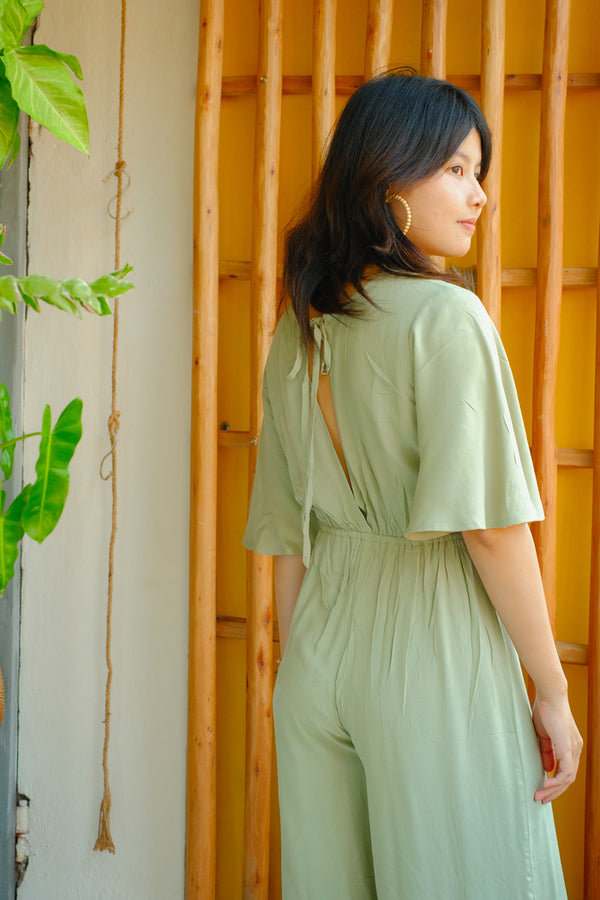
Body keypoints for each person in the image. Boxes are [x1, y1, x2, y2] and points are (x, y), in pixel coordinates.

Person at [243, 70, 582, 899]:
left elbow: (288, 536)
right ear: (388, 175)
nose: (479, 194)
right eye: (457, 168)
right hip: (433, 653)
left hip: (317, 657)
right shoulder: (446, 317)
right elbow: (491, 531)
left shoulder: (298, 327)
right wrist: (552, 690)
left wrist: (305, 662)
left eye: (478, 171)